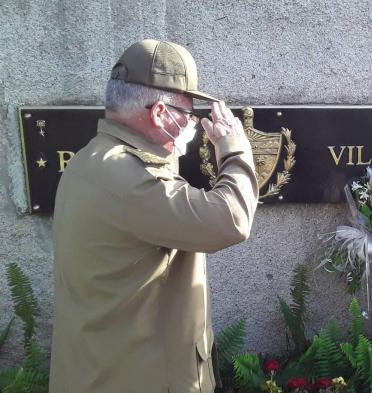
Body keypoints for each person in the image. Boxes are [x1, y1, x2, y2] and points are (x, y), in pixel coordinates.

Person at [49, 39, 259, 393]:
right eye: (190, 114)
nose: (194, 124)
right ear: (160, 114)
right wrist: (235, 149)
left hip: (107, 369)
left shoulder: (93, 159)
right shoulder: (126, 177)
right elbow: (230, 219)